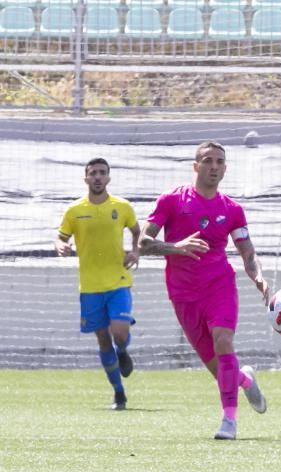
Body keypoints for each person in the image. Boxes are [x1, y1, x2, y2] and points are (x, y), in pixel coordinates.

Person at [139, 141, 268, 440]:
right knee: (220, 371)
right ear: (195, 166)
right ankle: (245, 381)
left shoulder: (232, 210)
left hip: (219, 285)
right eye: (207, 161)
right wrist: (177, 247)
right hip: (183, 294)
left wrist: (258, 277)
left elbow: (247, 252)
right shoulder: (172, 201)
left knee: (224, 342)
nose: (214, 166)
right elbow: (143, 243)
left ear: (225, 168)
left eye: (219, 161)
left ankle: (229, 422)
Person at [55, 158, 139, 410]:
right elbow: (61, 237)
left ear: (109, 178)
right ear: (86, 179)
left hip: (118, 281)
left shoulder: (122, 207)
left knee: (119, 331)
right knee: (103, 340)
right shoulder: (74, 211)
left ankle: (123, 351)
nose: (98, 177)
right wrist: (61, 246)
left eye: (102, 173)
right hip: (90, 287)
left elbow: (137, 231)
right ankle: (119, 392)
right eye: (93, 173)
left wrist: (135, 252)